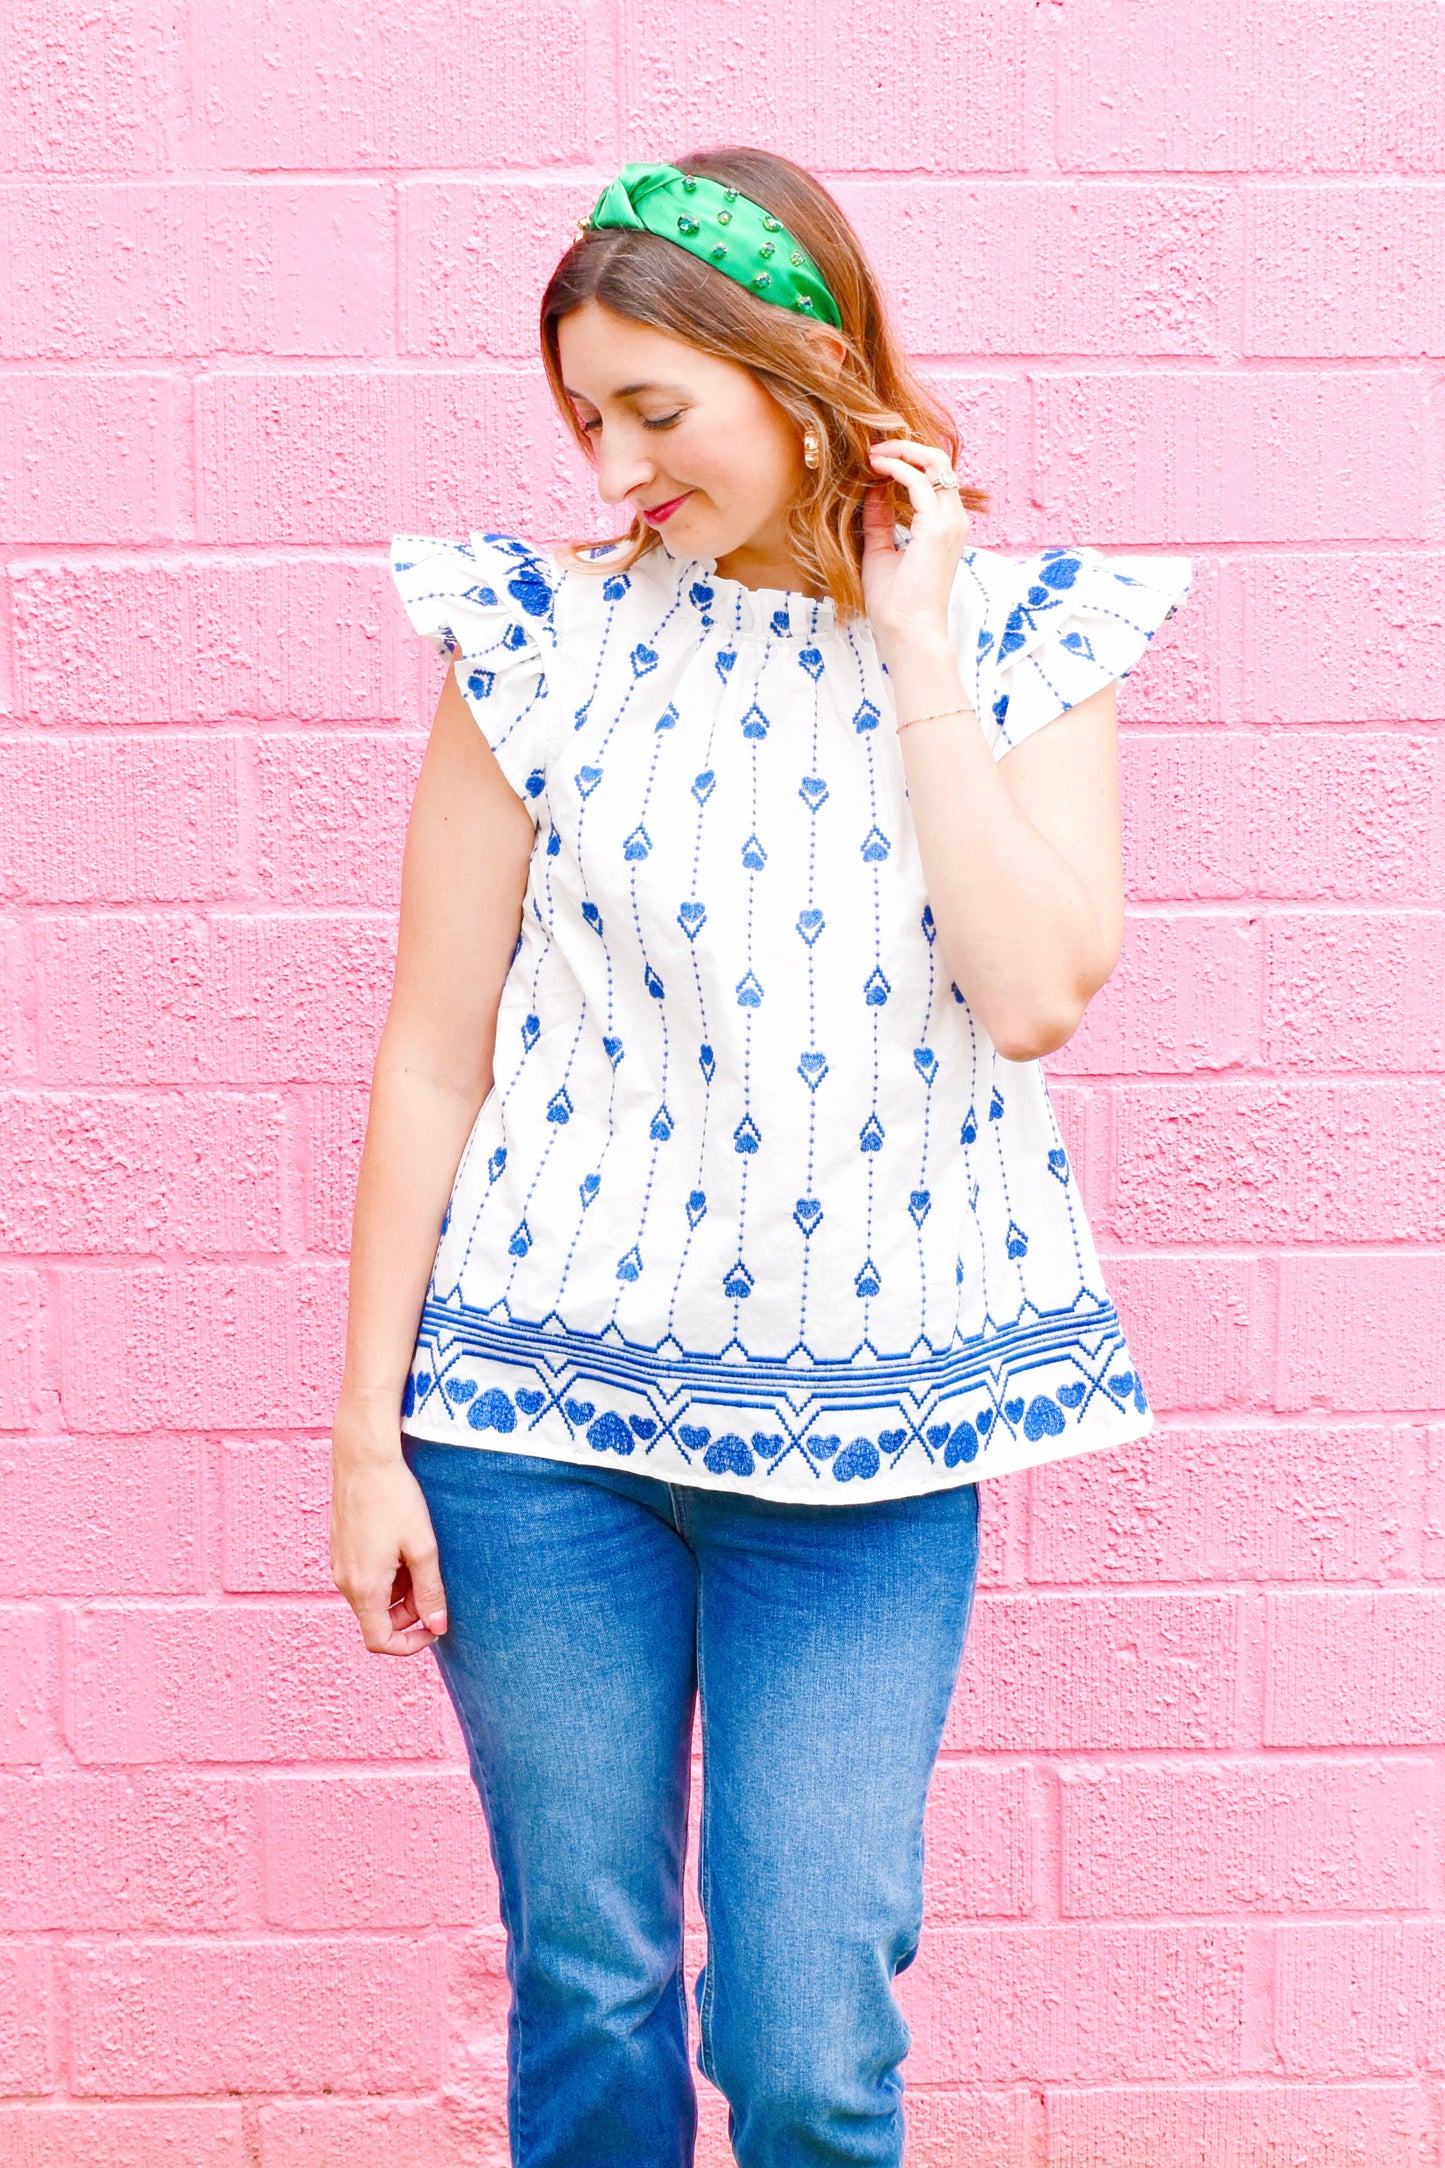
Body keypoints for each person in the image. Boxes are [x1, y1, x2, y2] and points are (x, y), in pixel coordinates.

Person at [330, 147, 1191, 2168]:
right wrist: (372, 1433)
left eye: (655, 406)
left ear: (795, 368)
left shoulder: (1026, 636)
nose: (616, 459)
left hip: (871, 1450)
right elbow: (433, 1053)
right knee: (593, 1985)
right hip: (539, 1428)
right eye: (584, 415)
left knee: (807, 2031)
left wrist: (912, 645)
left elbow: (1039, 988)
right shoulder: (538, 639)